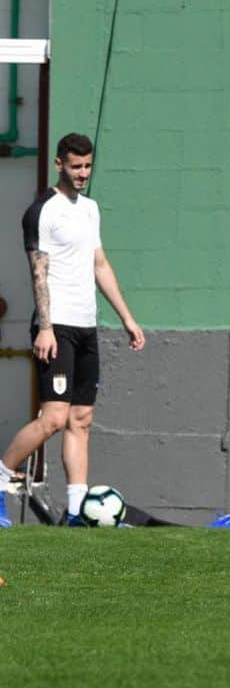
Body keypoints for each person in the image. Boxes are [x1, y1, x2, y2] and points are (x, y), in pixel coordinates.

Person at [0, 132, 145, 528]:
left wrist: (127, 318)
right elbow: (38, 272)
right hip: (56, 327)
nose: (83, 174)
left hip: (86, 326)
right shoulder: (43, 211)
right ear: (59, 163)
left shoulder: (90, 209)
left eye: (88, 167)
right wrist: (44, 328)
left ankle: (77, 513)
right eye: (76, 166)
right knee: (53, 418)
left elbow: (99, 264)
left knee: (81, 419)